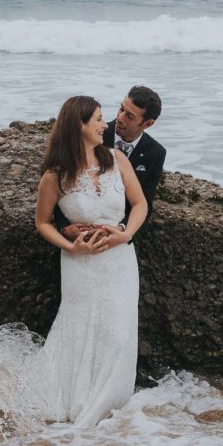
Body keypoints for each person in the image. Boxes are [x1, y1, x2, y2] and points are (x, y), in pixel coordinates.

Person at [32, 95, 149, 427]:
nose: (105, 125)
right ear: (79, 125)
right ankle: (76, 402)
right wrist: (72, 248)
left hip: (121, 262)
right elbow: (42, 222)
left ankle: (109, 408)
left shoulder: (117, 160)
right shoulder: (55, 176)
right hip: (79, 264)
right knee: (81, 331)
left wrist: (125, 233)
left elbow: (140, 205)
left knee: (119, 333)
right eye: (98, 119)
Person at [56, 85, 165, 243]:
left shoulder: (155, 153)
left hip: (117, 239)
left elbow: (144, 202)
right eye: (121, 109)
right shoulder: (92, 135)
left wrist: (122, 230)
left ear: (148, 124)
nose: (120, 117)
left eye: (129, 116)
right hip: (77, 239)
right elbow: (59, 184)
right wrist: (64, 227)